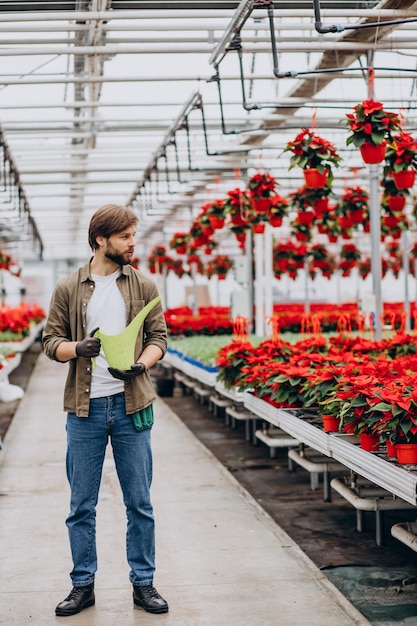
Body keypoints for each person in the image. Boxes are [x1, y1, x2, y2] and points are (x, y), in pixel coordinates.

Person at [42, 204, 168, 617]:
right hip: (86, 409)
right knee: (82, 505)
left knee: (140, 503)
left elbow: (158, 338)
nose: (134, 243)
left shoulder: (144, 286)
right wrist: (77, 349)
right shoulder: (69, 287)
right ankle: (83, 585)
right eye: (126, 236)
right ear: (101, 240)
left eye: (134, 235)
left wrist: (142, 364)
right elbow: (50, 342)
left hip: (132, 406)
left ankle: (143, 584)